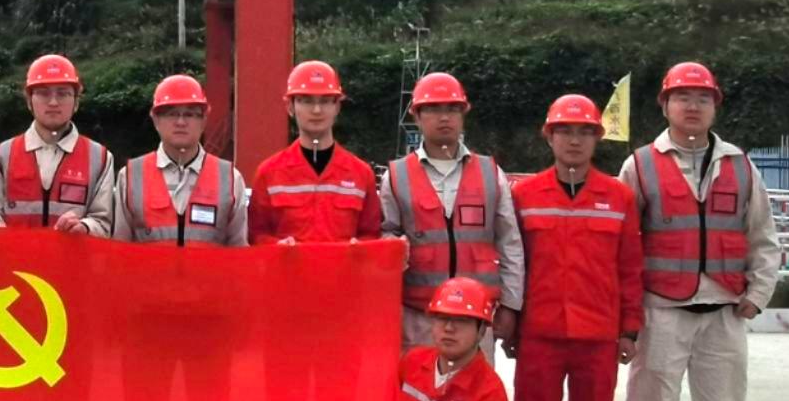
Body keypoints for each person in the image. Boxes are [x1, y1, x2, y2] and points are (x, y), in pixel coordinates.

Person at [619, 62, 780, 401]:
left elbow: (763, 236)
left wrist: (758, 293)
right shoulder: (640, 166)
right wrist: (628, 314)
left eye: (702, 98)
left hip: (725, 313)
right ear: (664, 105)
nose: (693, 106)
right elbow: (624, 246)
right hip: (661, 312)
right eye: (682, 97)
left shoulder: (741, 166)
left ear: (715, 106)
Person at [507, 94, 643, 401]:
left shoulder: (619, 198)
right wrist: (511, 322)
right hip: (539, 334)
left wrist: (629, 329)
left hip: (597, 336)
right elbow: (514, 264)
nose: (574, 140)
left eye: (585, 132)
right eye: (564, 131)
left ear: (597, 139)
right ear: (549, 137)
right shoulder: (524, 196)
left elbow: (630, 268)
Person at [382, 72, 524, 356]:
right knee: (418, 384)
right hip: (418, 320)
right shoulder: (396, 176)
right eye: (433, 109)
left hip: (477, 318)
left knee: (475, 385)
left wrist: (511, 305)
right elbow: (383, 236)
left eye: (452, 109)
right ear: (417, 116)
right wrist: (393, 245)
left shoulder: (490, 173)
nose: (444, 117)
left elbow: (510, 243)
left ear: (463, 114)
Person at [0, 53, 114, 237]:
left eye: (63, 93)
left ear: (76, 102)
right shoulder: (2, 155)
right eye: (43, 93)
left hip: (72, 256)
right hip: (15, 255)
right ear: (29, 101)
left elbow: (103, 224)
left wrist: (84, 227)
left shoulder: (100, 158)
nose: (53, 102)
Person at [248, 60, 382, 245]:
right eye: (307, 101)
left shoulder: (361, 174)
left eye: (325, 101)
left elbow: (372, 234)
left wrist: (361, 247)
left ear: (337, 107)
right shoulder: (269, 173)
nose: (317, 110)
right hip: (289, 265)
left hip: (342, 266)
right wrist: (276, 246)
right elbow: (255, 234)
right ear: (290, 107)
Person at [110, 74, 248, 246]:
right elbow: (120, 249)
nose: (181, 122)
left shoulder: (231, 179)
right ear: (156, 120)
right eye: (172, 114)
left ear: (204, 120)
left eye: (190, 114)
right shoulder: (130, 177)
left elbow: (239, 252)